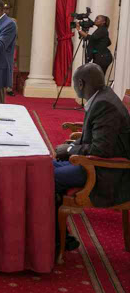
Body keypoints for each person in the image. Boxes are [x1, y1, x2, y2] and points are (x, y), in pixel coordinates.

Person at [54, 63, 130, 250]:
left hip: (106, 173)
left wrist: (70, 151)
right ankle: (57, 234)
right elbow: (98, 137)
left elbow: (101, 150)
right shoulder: (102, 97)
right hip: (99, 164)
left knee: (47, 176)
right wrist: (72, 146)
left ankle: (58, 239)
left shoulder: (104, 104)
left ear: (81, 83)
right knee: (46, 167)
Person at [3, 3, 18, 96]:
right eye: (4, 9)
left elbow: (16, 35)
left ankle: (9, 88)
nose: (6, 11)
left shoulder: (13, 21)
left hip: (9, 48)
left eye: (7, 9)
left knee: (9, 68)